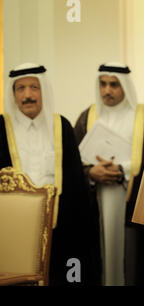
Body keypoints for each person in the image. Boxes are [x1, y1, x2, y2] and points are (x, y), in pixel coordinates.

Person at [0, 63, 101, 286]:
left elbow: (75, 183)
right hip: (12, 232)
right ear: (13, 94)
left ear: (43, 90)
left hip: (60, 228)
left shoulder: (61, 126)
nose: (28, 95)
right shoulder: (1, 128)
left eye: (34, 87)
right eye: (20, 88)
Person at [74, 63, 144, 286]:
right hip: (96, 200)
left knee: (131, 261)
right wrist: (91, 172)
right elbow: (71, 163)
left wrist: (122, 170)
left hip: (132, 199)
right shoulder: (87, 117)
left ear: (125, 86)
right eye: (103, 84)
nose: (107, 90)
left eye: (114, 84)